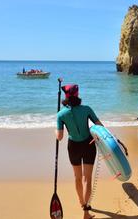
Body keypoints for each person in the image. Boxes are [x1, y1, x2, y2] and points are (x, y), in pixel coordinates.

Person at [55, 84, 102, 219]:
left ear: (65, 97)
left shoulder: (61, 114)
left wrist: (55, 131)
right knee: (87, 178)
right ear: (77, 95)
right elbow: (100, 126)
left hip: (73, 146)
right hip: (88, 144)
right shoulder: (86, 109)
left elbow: (59, 137)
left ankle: (81, 202)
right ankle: (86, 211)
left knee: (77, 178)